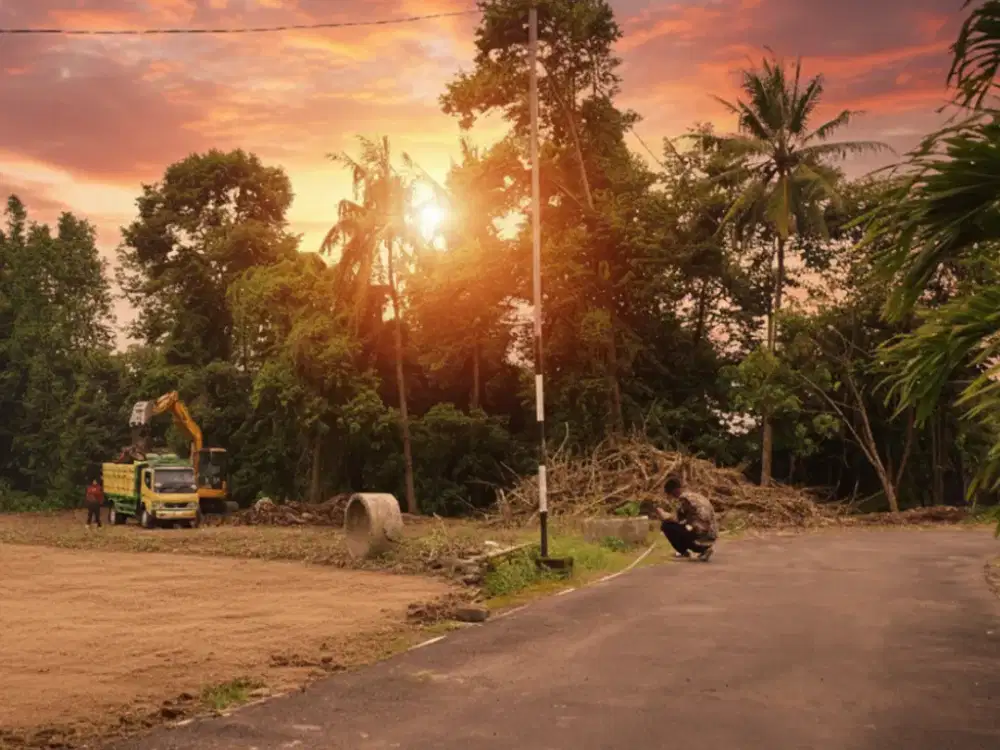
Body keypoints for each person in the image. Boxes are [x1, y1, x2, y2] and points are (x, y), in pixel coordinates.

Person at [655, 474, 717, 562]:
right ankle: (704, 549)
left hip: (700, 535)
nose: (672, 497)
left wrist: (663, 514)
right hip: (712, 535)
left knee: (666, 525)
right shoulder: (696, 496)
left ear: (674, 491)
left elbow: (676, 519)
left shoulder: (684, 499)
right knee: (685, 526)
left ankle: (684, 552)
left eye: (670, 494)